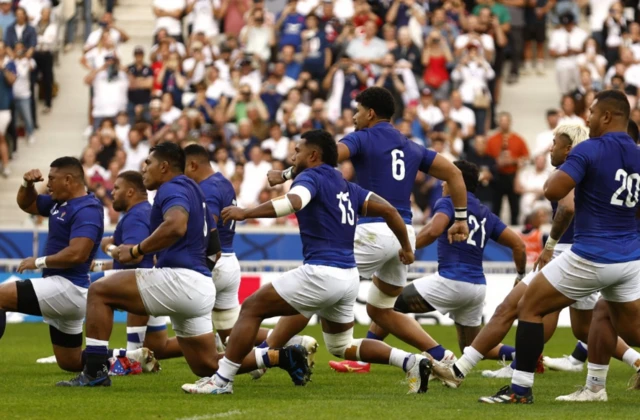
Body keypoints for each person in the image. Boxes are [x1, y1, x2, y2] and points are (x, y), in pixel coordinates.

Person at [182, 130, 433, 395]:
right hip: (348, 277)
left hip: (322, 272)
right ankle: (411, 361)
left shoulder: (311, 177)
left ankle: (221, 381)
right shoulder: (347, 186)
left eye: (297, 151)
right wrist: (406, 247)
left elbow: (294, 201)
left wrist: (247, 212)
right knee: (341, 345)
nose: (292, 156)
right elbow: (390, 210)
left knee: (252, 308)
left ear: (313, 155)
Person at [58, 143, 307, 387]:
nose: (143, 168)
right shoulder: (195, 190)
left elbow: (176, 225)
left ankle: (94, 371)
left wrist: (137, 249)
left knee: (100, 291)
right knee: (207, 365)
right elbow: (215, 248)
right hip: (198, 284)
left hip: (182, 280)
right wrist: (196, 274)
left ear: (164, 166)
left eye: (148, 163)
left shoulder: (171, 188)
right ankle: (280, 355)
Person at [266, 87, 469, 372]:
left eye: (358, 112)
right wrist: (460, 217)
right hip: (402, 233)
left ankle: (263, 355)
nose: (354, 118)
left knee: (314, 285)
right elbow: (455, 173)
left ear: (370, 113)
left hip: (373, 232)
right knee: (381, 310)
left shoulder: (363, 137)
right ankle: (443, 358)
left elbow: (325, 155)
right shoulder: (412, 146)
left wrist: (286, 174)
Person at [479, 90, 640, 404]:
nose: (587, 117)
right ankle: (595, 389)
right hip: (630, 256)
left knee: (530, 306)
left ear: (607, 116)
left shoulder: (590, 148)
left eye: (592, 111)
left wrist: (576, 168)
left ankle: (520, 390)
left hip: (592, 253)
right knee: (623, 325)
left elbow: (554, 189)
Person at [428, 124, 594, 385]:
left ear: (569, 147)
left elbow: (568, 207)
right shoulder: (589, 169)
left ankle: (464, 371)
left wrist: (549, 245)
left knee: (513, 308)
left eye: (555, 142)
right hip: (591, 253)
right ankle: (619, 370)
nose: (551, 147)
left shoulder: (570, 170)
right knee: (589, 326)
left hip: (569, 253)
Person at [392, 160, 526, 364]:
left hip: (451, 281)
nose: (443, 184)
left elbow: (434, 229)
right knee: (471, 349)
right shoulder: (485, 213)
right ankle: (524, 355)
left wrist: (407, 247)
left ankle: (437, 355)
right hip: (477, 288)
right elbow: (519, 245)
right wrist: (520, 276)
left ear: (457, 182)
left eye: (447, 178)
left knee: (386, 306)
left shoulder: (449, 201)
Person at [0, 157, 104, 373]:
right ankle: (128, 357)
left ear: (68, 180)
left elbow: (78, 254)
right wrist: (27, 184)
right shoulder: (60, 202)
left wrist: (37, 261)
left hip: (68, 287)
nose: (47, 184)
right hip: (64, 289)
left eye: (52, 179)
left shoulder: (87, 209)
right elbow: (27, 204)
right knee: (71, 362)